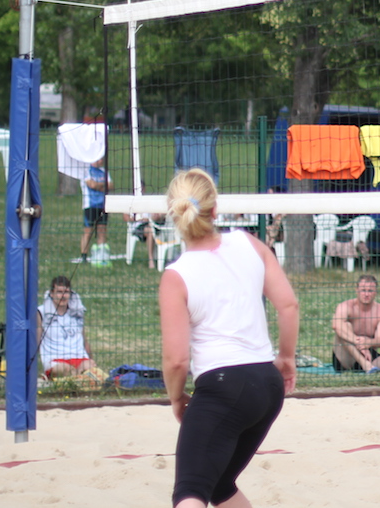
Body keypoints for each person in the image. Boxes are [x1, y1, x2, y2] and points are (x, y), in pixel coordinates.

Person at [159, 167, 299, 508]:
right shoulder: (248, 243)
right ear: (215, 209)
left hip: (224, 386)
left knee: (190, 491)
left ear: (173, 215)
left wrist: (176, 398)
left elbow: (176, 361)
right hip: (267, 386)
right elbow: (289, 306)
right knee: (220, 485)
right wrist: (286, 357)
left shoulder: (177, 276)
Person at [37, 276, 101, 380]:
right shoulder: (41, 312)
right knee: (66, 369)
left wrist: (91, 361)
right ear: (51, 293)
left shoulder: (77, 311)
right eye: (59, 292)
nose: (63, 296)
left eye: (66, 292)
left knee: (90, 367)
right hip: (56, 360)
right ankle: (76, 380)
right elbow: (36, 341)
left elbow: (84, 340)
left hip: (79, 358)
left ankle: (77, 380)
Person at [73, 156, 112, 264]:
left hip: (103, 205)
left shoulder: (104, 171)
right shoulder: (86, 171)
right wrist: (102, 185)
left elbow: (110, 185)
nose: (101, 161)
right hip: (90, 205)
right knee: (88, 231)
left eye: (102, 159)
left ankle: (101, 254)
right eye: (99, 159)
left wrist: (98, 185)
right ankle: (84, 255)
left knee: (102, 230)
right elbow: (92, 184)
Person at [124, 181, 164, 269]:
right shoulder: (131, 201)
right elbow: (125, 217)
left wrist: (156, 216)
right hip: (138, 226)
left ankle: (158, 257)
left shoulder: (148, 200)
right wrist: (138, 219)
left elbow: (157, 215)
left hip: (151, 224)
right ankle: (150, 259)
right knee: (150, 230)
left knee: (151, 229)